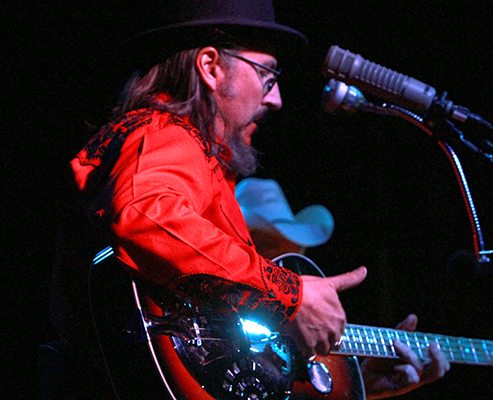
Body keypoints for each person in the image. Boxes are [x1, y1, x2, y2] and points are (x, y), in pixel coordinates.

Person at [48, 0, 448, 398]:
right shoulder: (165, 132)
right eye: (267, 76)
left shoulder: (197, 160)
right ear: (210, 67)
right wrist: (287, 295)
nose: (275, 100)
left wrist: (354, 384)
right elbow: (147, 218)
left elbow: (213, 356)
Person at [237, 177, 450, 399]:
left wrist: (361, 388)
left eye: (294, 253)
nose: (281, 271)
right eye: (268, 249)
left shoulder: (306, 333)